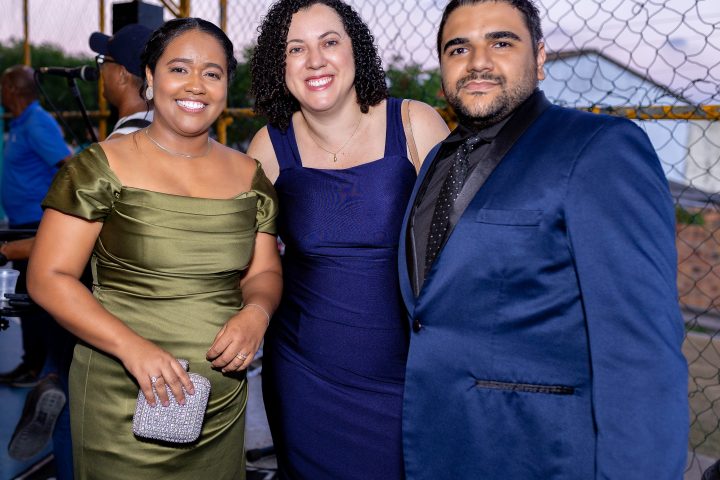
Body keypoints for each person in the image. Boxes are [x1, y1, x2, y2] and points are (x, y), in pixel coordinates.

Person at [398, 0, 689, 478]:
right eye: (458, 48)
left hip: (543, 458)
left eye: (501, 42)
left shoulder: (600, 148)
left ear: (539, 57)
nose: (478, 62)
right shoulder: (436, 160)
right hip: (441, 449)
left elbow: (641, 357)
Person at [27, 17, 281, 479]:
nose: (196, 84)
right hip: (120, 398)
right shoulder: (99, 167)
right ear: (149, 76)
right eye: (179, 68)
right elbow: (48, 277)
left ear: (227, 85)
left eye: (212, 73)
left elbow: (263, 272)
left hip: (219, 403)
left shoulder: (250, 176)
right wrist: (133, 349)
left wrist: (256, 313)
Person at [247, 0, 449, 478]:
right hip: (304, 374)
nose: (315, 60)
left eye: (329, 42)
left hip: (409, 371)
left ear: (355, 49)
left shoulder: (415, 124)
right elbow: (249, 263)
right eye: (296, 49)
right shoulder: (268, 147)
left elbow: (461, 254)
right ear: (280, 66)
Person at [5, 24, 157, 477]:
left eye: (105, 64)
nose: (100, 73)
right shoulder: (164, 135)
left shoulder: (119, 150)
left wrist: (10, 249)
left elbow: (75, 238)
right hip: (145, 298)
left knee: (74, 400)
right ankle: (51, 377)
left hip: (111, 298)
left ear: (124, 75)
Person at [0, 65, 71, 387]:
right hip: (21, 223)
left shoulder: (37, 122)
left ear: (13, 89)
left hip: (36, 224)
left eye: (3, 85)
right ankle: (33, 364)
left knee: (37, 298)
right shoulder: (20, 122)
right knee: (24, 296)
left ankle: (43, 369)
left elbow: (68, 166)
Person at [90, 23, 154, 138]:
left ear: (122, 75)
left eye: (104, 62)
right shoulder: (169, 128)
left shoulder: (118, 143)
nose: (101, 70)